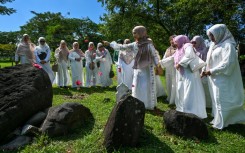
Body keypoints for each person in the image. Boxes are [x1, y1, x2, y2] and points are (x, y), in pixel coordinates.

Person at [201, 24, 245, 129]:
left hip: (223, 78)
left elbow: (227, 64)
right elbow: (208, 60)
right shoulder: (213, 45)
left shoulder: (228, 46)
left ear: (219, 34)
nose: (211, 38)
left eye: (212, 35)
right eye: (210, 36)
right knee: (215, 99)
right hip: (213, 77)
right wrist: (204, 70)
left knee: (222, 98)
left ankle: (224, 121)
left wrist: (211, 71)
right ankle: (218, 119)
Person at [108, 26, 160, 110]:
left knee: (146, 86)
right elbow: (122, 47)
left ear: (141, 32)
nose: (133, 35)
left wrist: (158, 66)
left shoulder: (148, 44)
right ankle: (138, 102)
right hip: (138, 69)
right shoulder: (134, 44)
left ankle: (147, 104)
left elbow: (154, 55)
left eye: (135, 33)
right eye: (133, 33)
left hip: (147, 69)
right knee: (137, 85)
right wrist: (111, 44)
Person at [164, 35, 207, 119]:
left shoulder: (187, 46)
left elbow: (189, 55)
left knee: (189, 91)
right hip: (182, 74)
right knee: (181, 90)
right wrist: (161, 63)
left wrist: (180, 63)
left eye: (176, 41)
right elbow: (172, 58)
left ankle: (190, 111)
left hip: (189, 74)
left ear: (180, 40)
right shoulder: (179, 49)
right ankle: (182, 108)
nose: (174, 43)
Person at [191, 36, 212, 108]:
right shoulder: (192, 50)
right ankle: (197, 103)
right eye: (192, 42)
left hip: (202, 73)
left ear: (199, 42)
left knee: (204, 88)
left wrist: (203, 71)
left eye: (195, 42)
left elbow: (206, 62)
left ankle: (207, 104)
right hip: (194, 72)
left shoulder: (204, 51)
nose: (193, 44)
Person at [162, 35, 177, 104]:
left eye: (173, 41)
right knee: (168, 83)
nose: (172, 42)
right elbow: (164, 58)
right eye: (171, 41)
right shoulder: (168, 49)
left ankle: (174, 99)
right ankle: (169, 97)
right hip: (168, 69)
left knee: (175, 84)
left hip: (175, 69)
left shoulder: (179, 49)